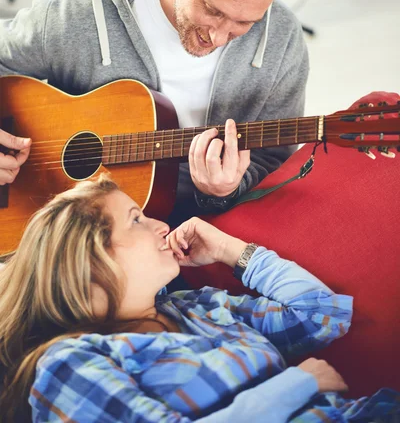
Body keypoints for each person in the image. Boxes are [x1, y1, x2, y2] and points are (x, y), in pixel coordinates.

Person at [0, 0, 309, 222]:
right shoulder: (76, 16)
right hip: (73, 228)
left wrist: (225, 190)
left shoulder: (282, 39)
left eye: (244, 23)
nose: (218, 37)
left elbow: (274, 162)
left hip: (206, 224)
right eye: (212, 9)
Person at [0, 174, 399, 422]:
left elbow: (321, 315)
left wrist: (231, 251)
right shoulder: (68, 365)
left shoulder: (200, 307)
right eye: (136, 219)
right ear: (88, 261)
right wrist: (298, 384)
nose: (161, 225)